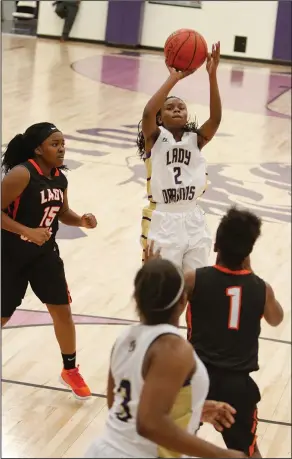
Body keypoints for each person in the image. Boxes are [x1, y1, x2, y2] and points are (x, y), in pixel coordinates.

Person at [85, 257, 246, 458]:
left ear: (137, 299)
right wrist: (224, 455)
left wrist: (193, 410)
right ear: (182, 301)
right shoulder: (173, 348)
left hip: (103, 450)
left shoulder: (124, 338)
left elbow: (119, 406)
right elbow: (149, 423)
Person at [1, 122, 97, 400]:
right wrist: (27, 231)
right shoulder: (21, 174)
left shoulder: (59, 178)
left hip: (44, 256)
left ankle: (70, 369)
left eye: (63, 143)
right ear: (38, 149)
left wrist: (80, 220)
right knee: (3, 314)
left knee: (62, 310)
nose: (62, 148)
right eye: (55, 143)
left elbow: (62, 212)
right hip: (9, 255)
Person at [182, 207, 283, 457]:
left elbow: (165, 317)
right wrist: (253, 278)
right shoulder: (262, 289)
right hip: (237, 386)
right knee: (248, 453)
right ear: (248, 251)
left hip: (196, 377)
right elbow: (276, 318)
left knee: (172, 445)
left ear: (216, 245)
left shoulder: (193, 280)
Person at [137, 42, 222, 270]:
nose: (176, 109)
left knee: (195, 286)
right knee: (163, 289)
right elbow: (147, 112)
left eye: (181, 107)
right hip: (162, 218)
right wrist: (174, 78)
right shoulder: (154, 138)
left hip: (193, 216)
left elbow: (214, 120)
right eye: (170, 107)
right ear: (160, 118)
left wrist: (212, 76)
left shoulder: (195, 139)